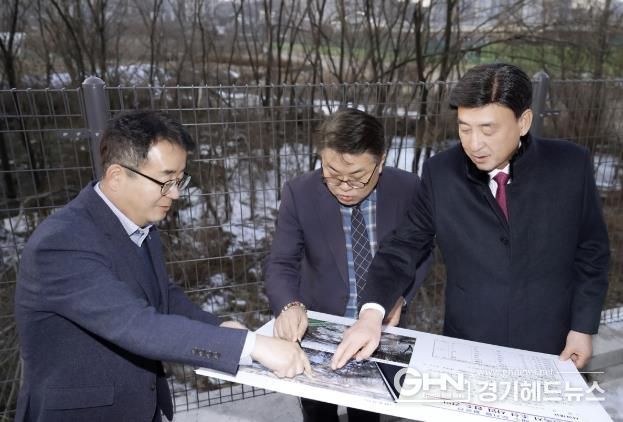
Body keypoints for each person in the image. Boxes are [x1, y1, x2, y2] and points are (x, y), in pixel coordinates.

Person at [14, 110, 311, 422]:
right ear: (116, 177)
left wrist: (219, 328)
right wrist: (249, 346)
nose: (176, 193)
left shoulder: (140, 223)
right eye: (166, 180)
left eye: (179, 179)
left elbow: (162, 296)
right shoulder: (61, 244)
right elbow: (136, 324)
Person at [331, 63, 610, 372]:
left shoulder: (570, 166)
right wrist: (371, 315)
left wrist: (583, 327)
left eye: (487, 129)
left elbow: (592, 250)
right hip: (468, 346)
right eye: (464, 128)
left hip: (552, 344)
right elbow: (403, 247)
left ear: (523, 122)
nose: (474, 144)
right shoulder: (441, 173)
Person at [265, 108, 431, 422]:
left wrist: (400, 297)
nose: (343, 186)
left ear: (381, 161)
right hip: (318, 331)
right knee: (318, 413)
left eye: (356, 177)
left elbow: (421, 252)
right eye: (332, 173)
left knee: (368, 414)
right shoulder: (299, 194)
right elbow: (282, 262)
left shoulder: (408, 189)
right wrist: (289, 305)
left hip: (382, 330)